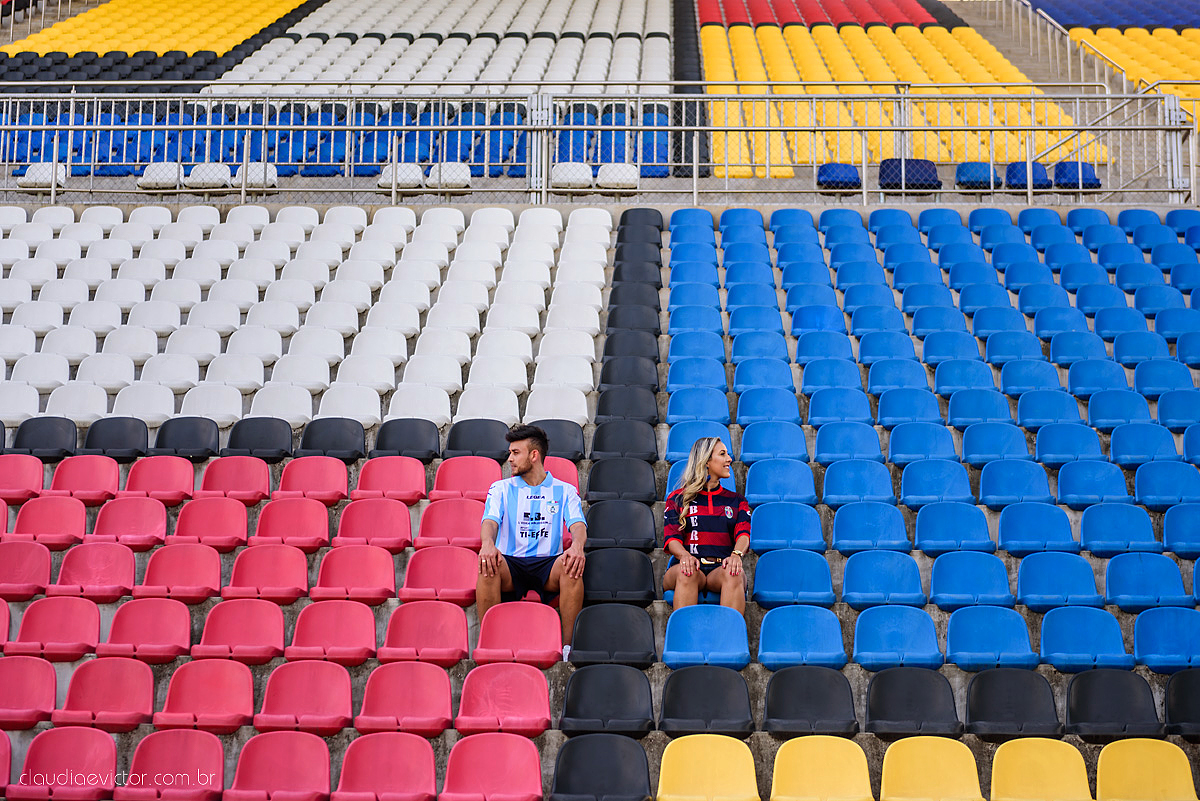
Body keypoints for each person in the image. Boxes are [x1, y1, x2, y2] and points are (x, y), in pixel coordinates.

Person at [477, 424, 587, 659]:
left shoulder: (565, 490)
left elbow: (577, 525)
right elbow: (490, 521)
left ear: (534, 455)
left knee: (572, 566)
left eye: (516, 453)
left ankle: (568, 648)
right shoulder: (501, 488)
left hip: (548, 565)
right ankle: (489, 644)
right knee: (487, 565)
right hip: (511, 563)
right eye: (510, 452)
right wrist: (487, 543)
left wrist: (577, 546)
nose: (510, 459)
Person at [662, 436, 751, 613]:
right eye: (722, 454)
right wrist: (684, 556)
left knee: (734, 573)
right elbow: (671, 538)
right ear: (707, 461)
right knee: (687, 572)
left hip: (720, 568)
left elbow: (743, 534)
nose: (729, 459)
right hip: (687, 565)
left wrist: (736, 555)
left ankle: (729, 639)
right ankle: (683, 638)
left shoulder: (737, 500)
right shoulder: (677, 498)